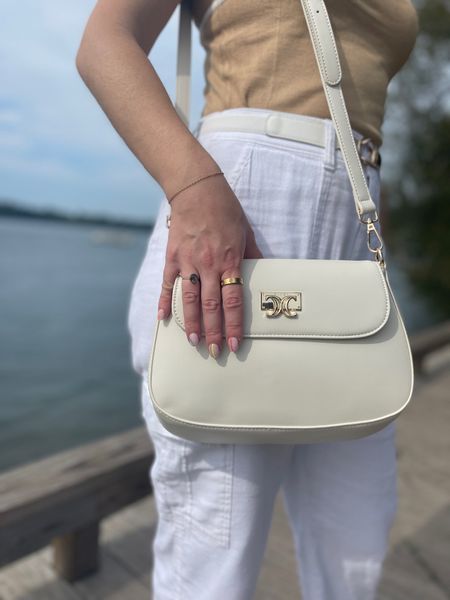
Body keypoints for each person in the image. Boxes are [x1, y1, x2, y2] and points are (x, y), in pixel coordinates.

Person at [76, 1, 419, 598]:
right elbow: (105, 42)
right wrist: (193, 184)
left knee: (355, 544)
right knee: (212, 552)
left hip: (353, 232)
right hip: (240, 214)